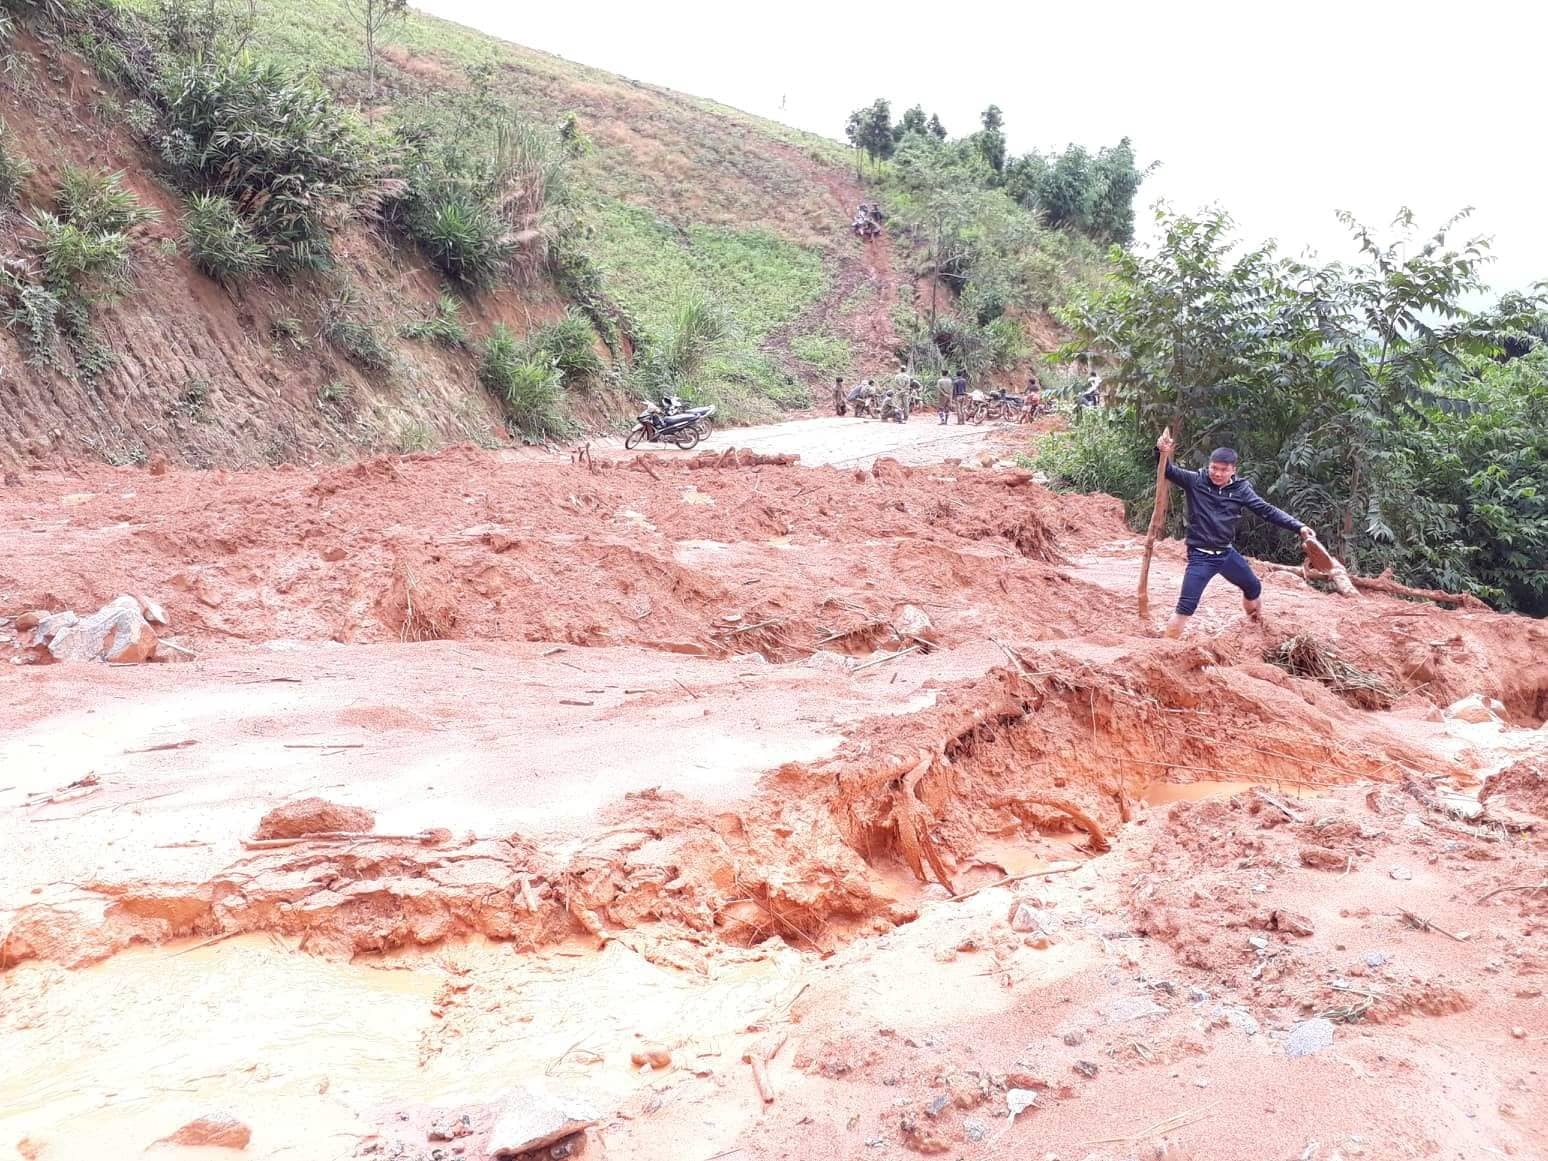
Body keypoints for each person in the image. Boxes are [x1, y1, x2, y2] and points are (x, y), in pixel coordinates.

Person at [1154, 432, 1315, 639]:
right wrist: (1161, 451)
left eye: (1223, 470)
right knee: (1186, 606)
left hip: (1226, 554)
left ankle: (1255, 626)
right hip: (1200, 556)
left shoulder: (1241, 490)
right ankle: (1167, 646)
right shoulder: (1195, 481)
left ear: (1233, 470)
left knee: (1253, 587)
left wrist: (1298, 526)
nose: (1217, 473)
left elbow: (1267, 511)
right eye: (1214, 468)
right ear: (1209, 465)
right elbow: (1167, 470)